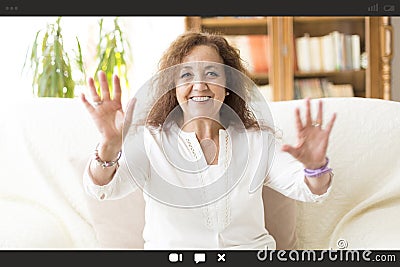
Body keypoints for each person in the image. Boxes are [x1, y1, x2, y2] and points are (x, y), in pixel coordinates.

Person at [80, 31, 337, 250]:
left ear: (229, 86)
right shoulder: (151, 141)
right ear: (174, 88)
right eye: (186, 75)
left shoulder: (257, 141)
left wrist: (316, 166)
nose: (200, 85)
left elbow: (308, 188)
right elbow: (104, 189)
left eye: (212, 73)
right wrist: (109, 148)